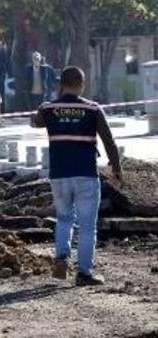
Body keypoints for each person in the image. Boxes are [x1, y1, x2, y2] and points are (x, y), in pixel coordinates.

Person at [32, 66, 123, 286]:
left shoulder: (48, 108)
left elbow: (35, 121)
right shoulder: (93, 109)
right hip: (85, 175)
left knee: (64, 219)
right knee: (88, 226)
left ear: (60, 85)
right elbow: (108, 141)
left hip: (60, 175)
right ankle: (84, 272)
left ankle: (62, 258)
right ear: (82, 85)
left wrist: (53, 103)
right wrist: (116, 167)